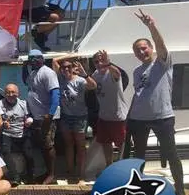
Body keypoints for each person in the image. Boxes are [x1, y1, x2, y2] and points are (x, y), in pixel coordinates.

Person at [127, 10, 187, 195]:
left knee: (172, 155)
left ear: (151, 48)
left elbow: (162, 46)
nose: (141, 52)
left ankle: (180, 192)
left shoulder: (163, 63)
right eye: (137, 50)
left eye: (144, 48)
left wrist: (151, 26)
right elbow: (139, 94)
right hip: (139, 119)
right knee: (139, 157)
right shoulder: (137, 71)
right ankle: (140, 192)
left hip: (163, 117)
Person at [53, 54, 97, 184]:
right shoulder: (60, 79)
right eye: (64, 67)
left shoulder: (80, 80)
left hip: (80, 117)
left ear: (73, 68)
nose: (66, 69)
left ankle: (81, 174)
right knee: (69, 145)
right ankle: (71, 172)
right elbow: (55, 60)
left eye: (69, 67)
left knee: (80, 146)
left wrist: (84, 73)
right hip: (66, 117)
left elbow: (93, 86)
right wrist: (74, 55)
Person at [24, 49, 60, 184]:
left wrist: (49, 115)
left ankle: (51, 174)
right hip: (36, 117)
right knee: (43, 146)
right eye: (30, 58)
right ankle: (46, 172)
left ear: (42, 59)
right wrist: (24, 67)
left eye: (36, 58)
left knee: (48, 145)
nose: (33, 61)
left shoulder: (48, 72)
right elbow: (25, 81)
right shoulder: (33, 73)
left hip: (46, 117)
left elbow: (56, 94)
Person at [91, 50, 128, 166]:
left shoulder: (111, 72)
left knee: (121, 144)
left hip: (118, 117)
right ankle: (109, 166)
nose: (99, 64)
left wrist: (108, 63)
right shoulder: (95, 75)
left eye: (102, 61)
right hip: (103, 117)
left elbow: (117, 73)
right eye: (97, 62)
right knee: (106, 144)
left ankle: (121, 167)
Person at [0, 84, 34, 186]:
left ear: (18, 93)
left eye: (13, 92)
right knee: (5, 152)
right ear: (4, 94)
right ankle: (15, 177)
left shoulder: (23, 104)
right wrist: (3, 123)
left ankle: (31, 177)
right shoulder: (0, 104)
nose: (10, 94)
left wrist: (29, 121)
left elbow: (30, 116)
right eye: (8, 92)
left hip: (22, 133)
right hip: (7, 133)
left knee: (29, 154)